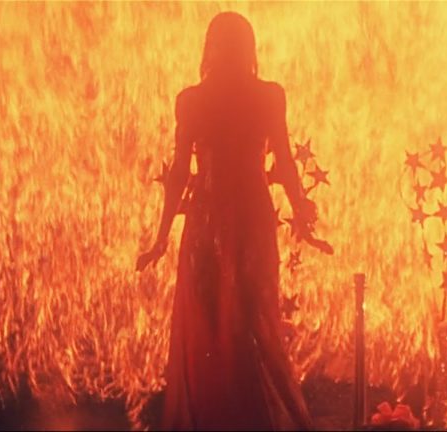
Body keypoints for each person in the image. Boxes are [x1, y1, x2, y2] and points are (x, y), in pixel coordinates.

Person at [136, 12, 317, 430]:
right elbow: (283, 163)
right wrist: (301, 213)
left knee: (213, 325)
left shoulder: (194, 100)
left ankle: (221, 418)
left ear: (211, 47)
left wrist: (162, 238)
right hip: (247, 216)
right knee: (251, 321)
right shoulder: (267, 96)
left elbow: (180, 175)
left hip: (211, 219)